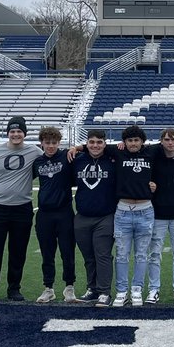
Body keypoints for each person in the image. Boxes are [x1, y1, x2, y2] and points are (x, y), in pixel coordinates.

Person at [0, 116, 41, 304]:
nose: (16, 134)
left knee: (18, 251)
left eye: (19, 131)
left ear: (24, 133)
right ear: (8, 133)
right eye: (12, 131)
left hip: (22, 208)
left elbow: (52, 156)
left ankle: (14, 288)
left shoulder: (35, 151)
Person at [110, 124, 156, 307]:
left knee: (141, 255)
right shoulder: (118, 152)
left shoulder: (151, 152)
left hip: (145, 211)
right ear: (124, 142)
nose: (133, 143)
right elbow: (94, 146)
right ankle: (122, 291)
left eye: (136, 140)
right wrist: (76, 147)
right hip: (122, 211)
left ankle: (136, 289)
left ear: (142, 141)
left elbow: (173, 144)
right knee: (121, 254)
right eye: (129, 140)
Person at [72, 128, 119, 307]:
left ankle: (104, 292)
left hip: (105, 216)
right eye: (91, 142)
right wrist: (78, 149)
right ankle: (92, 289)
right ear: (87, 143)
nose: (95, 145)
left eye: (99, 142)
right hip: (82, 216)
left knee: (103, 255)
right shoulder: (77, 160)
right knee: (88, 257)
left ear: (105, 144)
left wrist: (80, 146)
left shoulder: (112, 159)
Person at [32, 126, 77, 303]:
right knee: (47, 254)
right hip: (44, 214)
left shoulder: (67, 157)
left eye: (54, 143)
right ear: (41, 143)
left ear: (59, 143)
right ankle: (48, 288)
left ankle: (69, 287)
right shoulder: (37, 162)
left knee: (67, 252)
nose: (51, 146)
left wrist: (76, 148)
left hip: (64, 212)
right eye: (47, 143)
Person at [148, 127, 174, 304]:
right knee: (154, 254)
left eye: (173, 139)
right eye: (166, 139)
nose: (170, 143)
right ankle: (153, 289)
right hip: (157, 214)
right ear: (161, 141)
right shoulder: (154, 157)